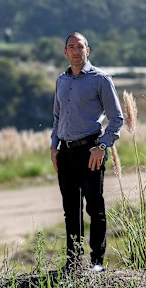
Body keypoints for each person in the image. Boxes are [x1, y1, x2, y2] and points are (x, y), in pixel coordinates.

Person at [50, 32, 124, 273]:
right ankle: (72, 262)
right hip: (65, 152)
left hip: (90, 151)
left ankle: (97, 262)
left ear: (87, 51)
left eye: (80, 47)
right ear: (65, 52)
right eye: (71, 47)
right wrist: (54, 145)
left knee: (95, 207)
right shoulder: (61, 80)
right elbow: (57, 116)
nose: (75, 51)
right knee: (70, 209)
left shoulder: (101, 79)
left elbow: (117, 118)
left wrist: (102, 146)